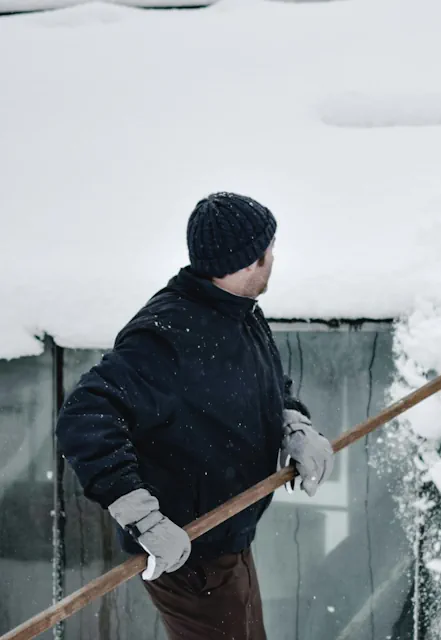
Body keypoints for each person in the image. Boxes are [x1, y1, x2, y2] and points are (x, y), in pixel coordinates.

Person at [56, 192, 334, 640]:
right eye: (267, 250)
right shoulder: (165, 337)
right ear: (245, 261)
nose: (272, 259)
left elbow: (265, 386)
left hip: (229, 540)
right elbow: (84, 416)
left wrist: (293, 425)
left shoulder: (240, 314)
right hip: (189, 559)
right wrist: (143, 519)